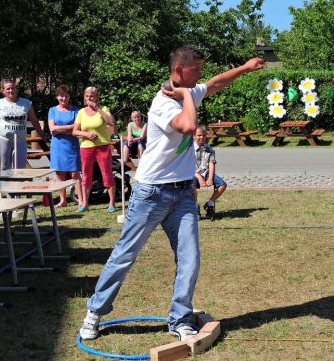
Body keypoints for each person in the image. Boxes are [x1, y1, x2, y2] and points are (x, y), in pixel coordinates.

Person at [79, 46, 264, 342]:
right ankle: (94, 312)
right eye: (195, 70)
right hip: (150, 193)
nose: (200, 75)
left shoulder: (186, 92)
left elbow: (215, 84)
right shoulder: (164, 103)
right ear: (179, 70)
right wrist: (188, 96)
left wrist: (244, 68)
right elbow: (189, 126)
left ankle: (179, 318)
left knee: (190, 258)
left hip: (183, 195)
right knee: (125, 254)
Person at [73, 87, 116, 213]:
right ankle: (85, 204)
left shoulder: (103, 109)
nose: (89, 98)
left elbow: (111, 122)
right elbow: (75, 131)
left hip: (102, 146)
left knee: (107, 174)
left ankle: (112, 203)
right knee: (86, 175)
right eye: (87, 96)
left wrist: (97, 108)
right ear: (84, 97)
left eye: (92, 96)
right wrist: (86, 134)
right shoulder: (81, 112)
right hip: (86, 147)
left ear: (97, 97)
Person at [0, 78, 46, 170]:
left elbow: (34, 120)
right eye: (8, 89)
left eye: (13, 88)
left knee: (20, 168)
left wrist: (42, 134)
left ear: (16, 89)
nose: (11, 90)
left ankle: (17, 180)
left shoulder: (26, 103)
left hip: (20, 140)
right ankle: (3, 180)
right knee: (4, 167)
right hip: (3, 139)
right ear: (3, 91)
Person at [48, 85, 83, 208]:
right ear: (57, 97)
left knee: (75, 174)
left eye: (66, 96)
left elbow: (78, 128)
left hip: (72, 146)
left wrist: (59, 129)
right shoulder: (52, 110)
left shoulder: (75, 110)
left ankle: (81, 200)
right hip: (57, 146)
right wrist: (70, 127)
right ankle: (63, 201)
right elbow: (52, 129)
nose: (64, 98)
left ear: (69, 96)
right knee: (60, 174)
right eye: (61, 96)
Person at [193, 125, 227, 220]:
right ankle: (195, 206)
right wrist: (200, 178)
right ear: (194, 136)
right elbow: (188, 167)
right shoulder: (189, 149)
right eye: (199, 135)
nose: (201, 137)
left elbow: (212, 164)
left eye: (204, 135)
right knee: (190, 186)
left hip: (206, 172)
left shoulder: (210, 149)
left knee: (222, 185)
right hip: (193, 173)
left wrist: (210, 178)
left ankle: (209, 204)